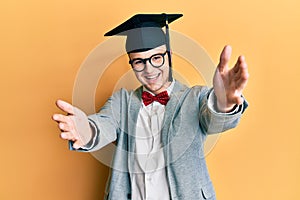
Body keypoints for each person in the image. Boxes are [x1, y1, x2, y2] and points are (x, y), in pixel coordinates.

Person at [52, 13, 249, 200]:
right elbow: (104, 125)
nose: (149, 69)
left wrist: (223, 102)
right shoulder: (122, 102)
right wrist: (85, 130)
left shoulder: (194, 98)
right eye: (138, 62)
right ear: (131, 63)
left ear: (169, 55)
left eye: (156, 58)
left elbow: (213, 119)